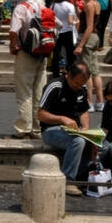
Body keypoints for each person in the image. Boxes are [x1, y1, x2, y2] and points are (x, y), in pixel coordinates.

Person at [37, 59, 91, 194]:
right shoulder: (55, 86)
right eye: (77, 83)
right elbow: (41, 115)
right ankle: (68, 180)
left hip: (75, 130)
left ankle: (84, 178)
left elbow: (84, 110)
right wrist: (62, 119)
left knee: (101, 144)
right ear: (68, 76)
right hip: (51, 130)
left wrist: (85, 128)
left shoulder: (82, 88)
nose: (80, 86)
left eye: (83, 84)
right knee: (77, 141)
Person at [8, 0, 47, 137]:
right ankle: (38, 128)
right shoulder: (42, 4)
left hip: (26, 53)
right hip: (42, 53)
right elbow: (57, 24)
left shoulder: (21, 8)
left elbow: (13, 31)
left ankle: (24, 128)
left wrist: (13, 45)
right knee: (39, 91)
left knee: (25, 92)